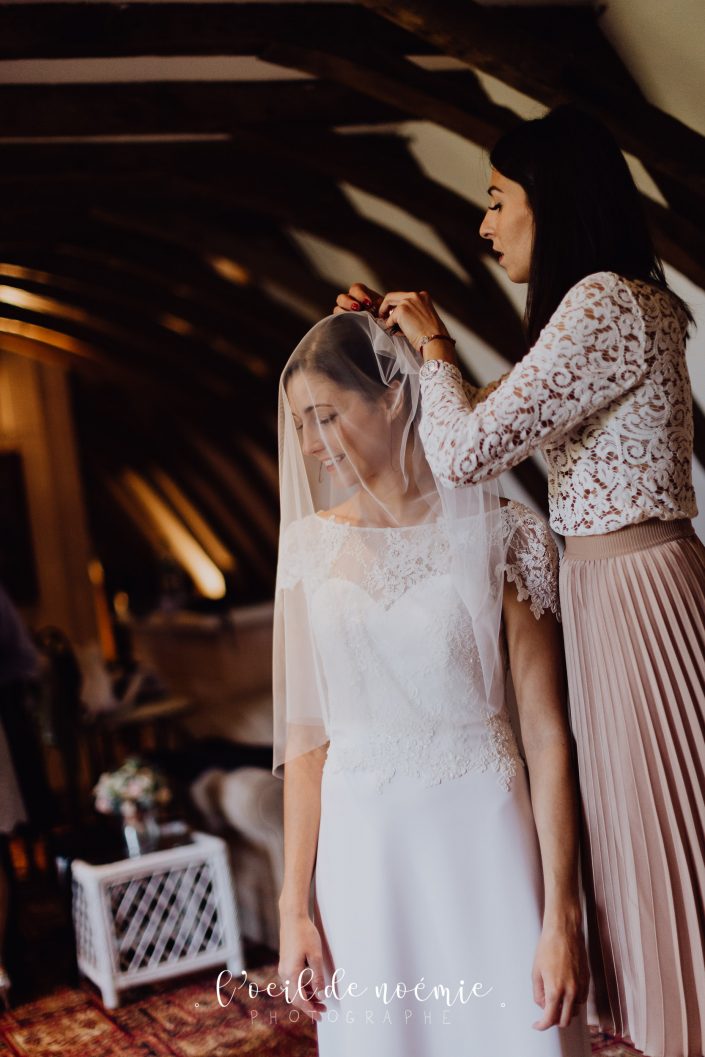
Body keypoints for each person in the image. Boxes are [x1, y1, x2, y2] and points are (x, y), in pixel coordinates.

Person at [334, 104, 705, 1057]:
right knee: (642, 841)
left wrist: (433, 347)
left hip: (632, 594)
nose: (485, 225)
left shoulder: (605, 302)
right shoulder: (624, 303)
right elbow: (486, 422)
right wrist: (399, 345)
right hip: (611, 590)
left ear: (554, 200)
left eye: (497, 201)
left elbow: (461, 454)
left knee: (665, 844)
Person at [273, 309, 591, 1057]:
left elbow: (546, 733)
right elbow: (305, 743)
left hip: (484, 837)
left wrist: (561, 912)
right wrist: (295, 905)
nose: (314, 445)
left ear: (391, 399)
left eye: (326, 416)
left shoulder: (507, 533)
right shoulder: (308, 550)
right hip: (364, 852)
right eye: (300, 425)